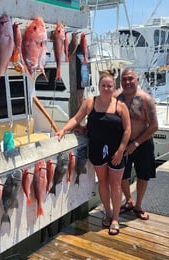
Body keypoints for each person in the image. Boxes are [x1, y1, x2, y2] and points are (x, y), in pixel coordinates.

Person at [56, 72, 131, 235]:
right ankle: (108, 213)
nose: (106, 88)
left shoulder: (120, 106)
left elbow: (127, 130)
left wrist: (120, 150)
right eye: (103, 85)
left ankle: (116, 218)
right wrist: (63, 129)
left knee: (116, 185)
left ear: (114, 88)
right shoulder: (90, 102)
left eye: (109, 86)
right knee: (103, 182)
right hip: (97, 149)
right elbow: (77, 118)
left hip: (116, 151)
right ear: (98, 86)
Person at [114, 68, 159, 220]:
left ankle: (138, 205)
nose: (127, 82)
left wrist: (136, 143)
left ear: (137, 80)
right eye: (124, 79)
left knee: (143, 175)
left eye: (130, 79)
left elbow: (154, 125)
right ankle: (129, 200)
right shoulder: (116, 98)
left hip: (143, 143)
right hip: (123, 144)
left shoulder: (146, 99)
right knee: (122, 176)